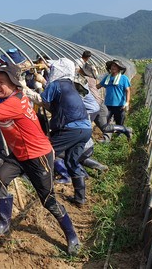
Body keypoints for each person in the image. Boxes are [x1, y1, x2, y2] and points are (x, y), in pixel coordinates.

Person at [0, 64, 81, 255]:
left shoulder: (14, 103)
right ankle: (4, 222)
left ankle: (71, 236)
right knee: (1, 178)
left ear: (13, 84)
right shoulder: (1, 96)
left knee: (48, 200)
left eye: (1, 82)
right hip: (19, 155)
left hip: (38, 156)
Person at [40, 58, 93, 207]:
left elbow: (43, 99)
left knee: (46, 151)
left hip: (71, 128)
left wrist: (29, 92)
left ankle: (42, 184)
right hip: (85, 128)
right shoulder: (70, 85)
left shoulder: (56, 84)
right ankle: (80, 198)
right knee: (71, 161)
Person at [97, 60, 132, 128]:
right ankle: (107, 136)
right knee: (105, 122)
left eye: (115, 66)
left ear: (119, 68)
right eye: (112, 66)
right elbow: (98, 86)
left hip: (119, 105)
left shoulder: (123, 78)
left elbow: (128, 90)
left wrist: (127, 102)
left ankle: (119, 135)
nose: (113, 67)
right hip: (108, 105)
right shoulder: (107, 78)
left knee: (119, 122)